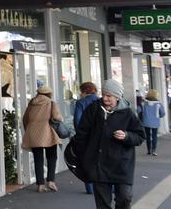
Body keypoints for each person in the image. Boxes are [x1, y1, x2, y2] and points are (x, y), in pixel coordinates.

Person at [70, 79, 145, 209]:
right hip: (99, 164)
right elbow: (82, 134)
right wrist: (84, 156)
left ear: (117, 97)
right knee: (103, 204)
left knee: (125, 198)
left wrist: (127, 136)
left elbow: (140, 135)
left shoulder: (127, 112)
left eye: (109, 96)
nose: (105, 98)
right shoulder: (93, 109)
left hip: (122, 164)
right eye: (103, 94)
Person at [21, 85, 63, 192]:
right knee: (52, 157)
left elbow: (25, 118)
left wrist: (29, 130)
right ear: (49, 94)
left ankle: (40, 184)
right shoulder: (51, 103)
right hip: (48, 133)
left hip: (34, 133)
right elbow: (56, 117)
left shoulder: (31, 103)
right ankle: (50, 181)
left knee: (38, 159)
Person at [73, 82, 101, 194]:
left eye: (81, 91)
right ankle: (108, 186)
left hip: (86, 137)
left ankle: (90, 188)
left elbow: (77, 120)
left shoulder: (81, 103)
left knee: (87, 161)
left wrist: (80, 135)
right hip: (100, 135)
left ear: (84, 91)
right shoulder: (101, 101)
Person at [140, 90, 165, 156]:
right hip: (155, 122)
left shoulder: (144, 102)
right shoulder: (158, 103)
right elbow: (162, 113)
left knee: (148, 136)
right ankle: (154, 150)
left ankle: (148, 150)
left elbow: (139, 110)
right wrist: (159, 116)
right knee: (154, 136)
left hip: (146, 121)